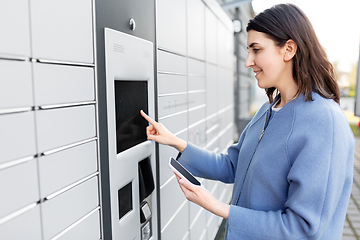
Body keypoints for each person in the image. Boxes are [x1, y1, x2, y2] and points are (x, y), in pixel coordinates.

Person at [141, 3, 355, 239]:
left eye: (256, 50)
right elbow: (233, 165)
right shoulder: (268, 109)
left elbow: (302, 228)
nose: (248, 61)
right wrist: (175, 142)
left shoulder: (324, 121)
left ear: (289, 49)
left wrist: (219, 207)